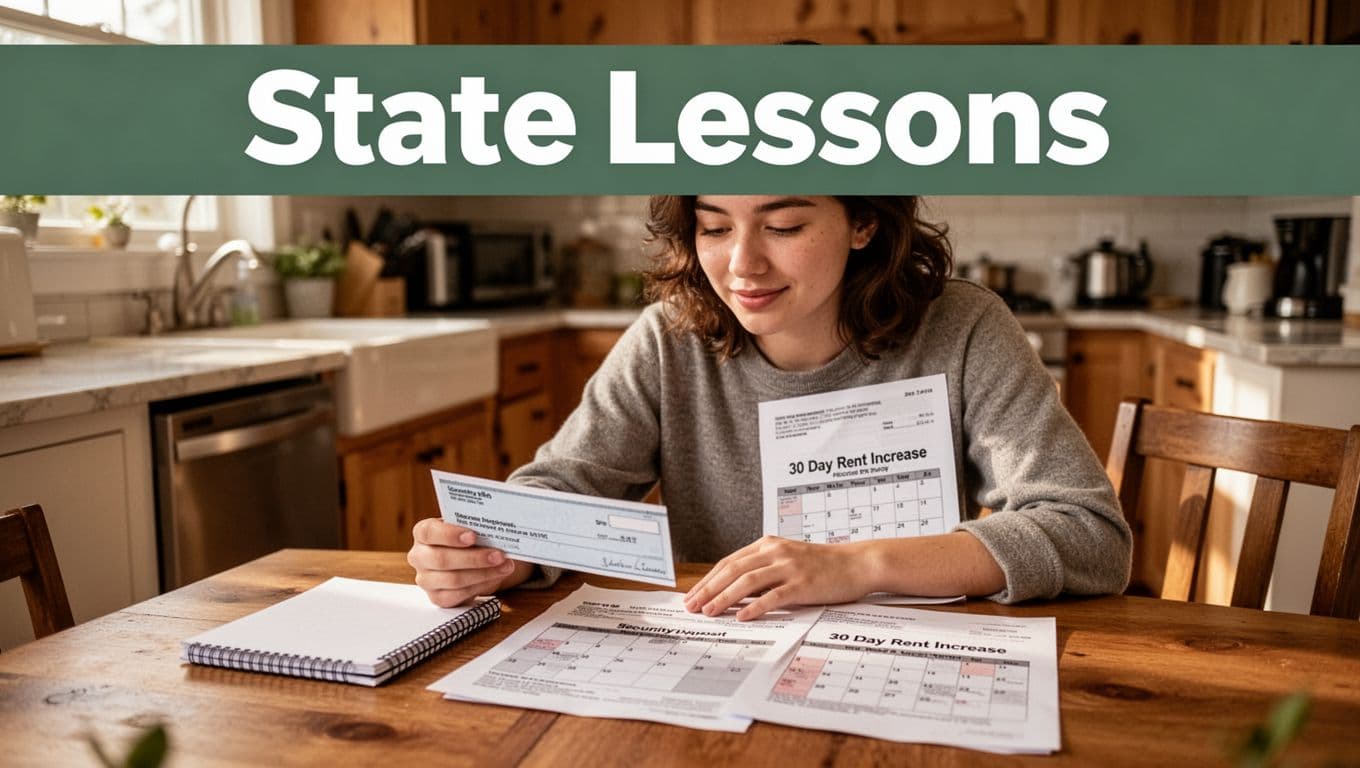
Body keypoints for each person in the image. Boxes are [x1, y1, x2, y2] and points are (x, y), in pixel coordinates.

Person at [408, 195, 1131, 620]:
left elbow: (1090, 535)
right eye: (715, 226)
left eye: (783, 226)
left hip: (910, 665)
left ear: (864, 222)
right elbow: (558, 492)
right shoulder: (670, 337)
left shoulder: (965, 328)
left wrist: (859, 564)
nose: (742, 265)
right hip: (723, 671)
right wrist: (496, 556)